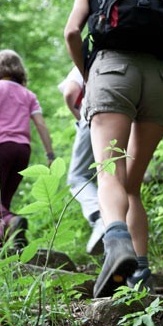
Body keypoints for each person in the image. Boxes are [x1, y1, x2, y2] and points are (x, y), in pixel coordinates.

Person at [64, 0, 163, 298]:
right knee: (132, 186)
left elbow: (72, 32)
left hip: (112, 73)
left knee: (109, 173)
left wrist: (87, 73)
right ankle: (140, 272)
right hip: (160, 81)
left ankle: (116, 242)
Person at [0, 49, 55, 248]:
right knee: (2, 204)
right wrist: (50, 153)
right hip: (23, 151)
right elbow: (41, 125)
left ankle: (12, 222)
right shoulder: (29, 95)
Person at [58, 67, 105, 255]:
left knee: (78, 177)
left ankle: (101, 217)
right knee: (114, 175)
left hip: (95, 111)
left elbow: (70, 93)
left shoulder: (89, 58)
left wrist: (81, 119)